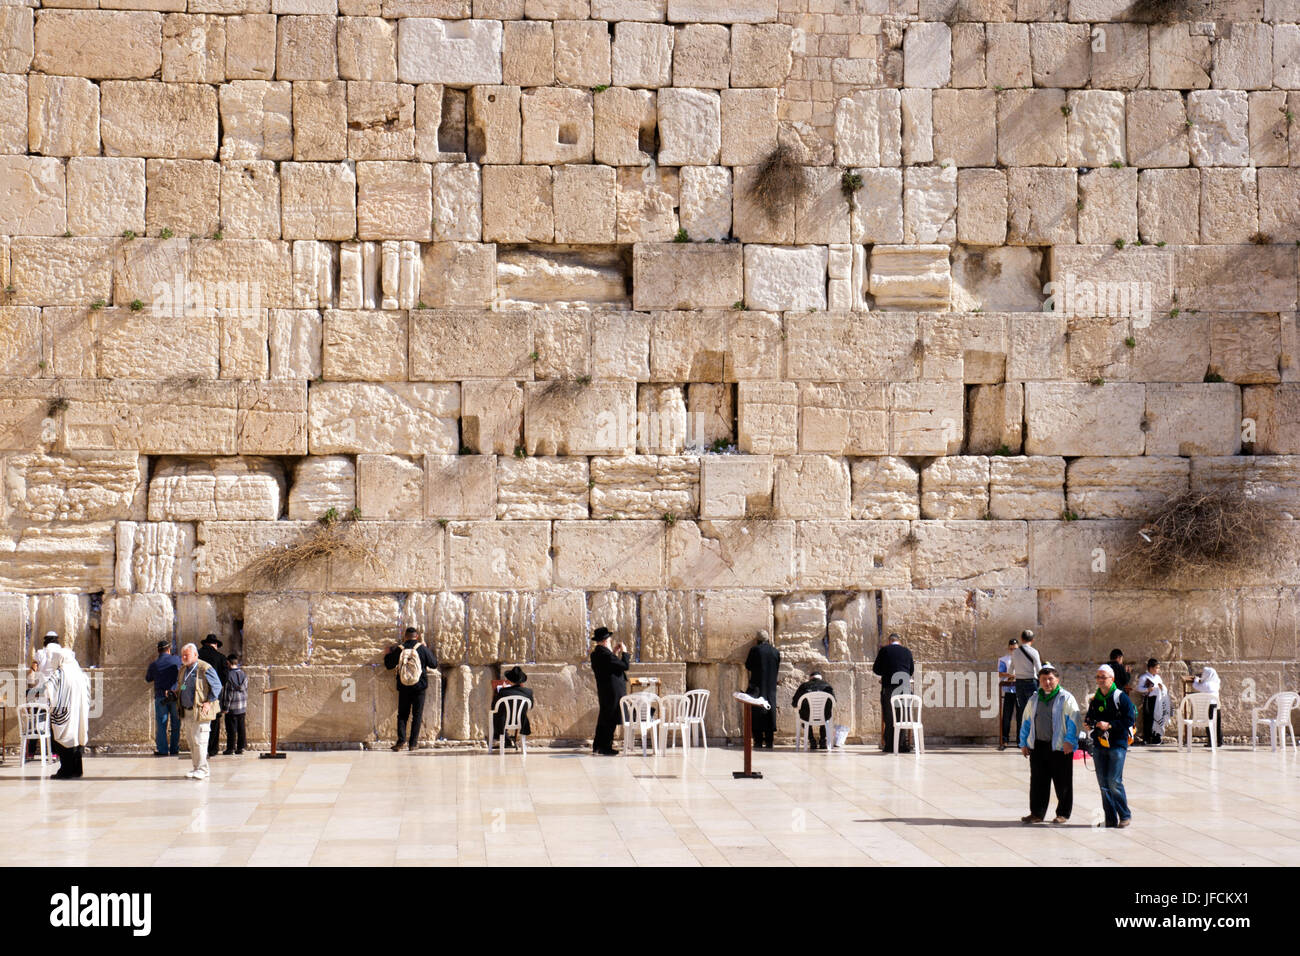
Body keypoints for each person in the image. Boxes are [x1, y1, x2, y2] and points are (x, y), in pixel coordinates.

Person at [1018, 662, 1079, 825]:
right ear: (1039, 680)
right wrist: (1024, 742)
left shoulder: (1066, 698)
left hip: (1060, 747)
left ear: (1057, 679)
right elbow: (1026, 721)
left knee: (1063, 782)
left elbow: (1074, 721)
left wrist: (1069, 741)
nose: (1047, 682)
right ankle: (1036, 813)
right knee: (1038, 781)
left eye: (1051, 679)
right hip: (1039, 746)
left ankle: (1063, 813)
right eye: (1044, 679)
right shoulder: (1034, 698)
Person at [1085, 664, 1136, 828]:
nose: (1100, 680)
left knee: (1114, 781)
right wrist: (1090, 724)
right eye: (1098, 677)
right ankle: (1111, 818)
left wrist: (1110, 725)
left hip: (1117, 743)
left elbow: (1129, 719)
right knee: (1103, 784)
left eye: (1103, 677)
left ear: (1112, 679)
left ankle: (1125, 815)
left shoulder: (1120, 697)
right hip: (1100, 744)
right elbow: (1090, 717)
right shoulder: (1095, 699)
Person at [31, 645, 90, 779]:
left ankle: (66, 771)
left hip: (65, 715)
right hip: (78, 714)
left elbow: (48, 690)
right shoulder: (80, 674)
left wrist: (33, 693)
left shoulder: (60, 673)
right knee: (76, 739)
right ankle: (77, 770)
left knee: (65, 740)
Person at [383, 627, 438, 752]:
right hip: (419, 686)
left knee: (402, 715)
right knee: (417, 715)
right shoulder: (422, 649)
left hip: (404, 686)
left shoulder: (400, 649)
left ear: (405, 636)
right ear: (417, 636)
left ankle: (401, 741)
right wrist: (427, 649)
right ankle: (413, 744)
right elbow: (434, 664)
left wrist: (387, 654)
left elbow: (389, 665)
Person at [177, 643, 221, 780]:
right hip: (187, 711)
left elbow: (217, 686)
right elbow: (183, 687)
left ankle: (203, 769)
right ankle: (196, 767)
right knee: (191, 741)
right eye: (183, 654)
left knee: (200, 741)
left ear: (195, 655)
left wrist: (209, 702)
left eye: (187, 655)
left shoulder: (204, 668)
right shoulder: (184, 669)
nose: (184, 657)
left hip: (200, 711)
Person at [590, 627, 629, 755]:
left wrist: (613, 652)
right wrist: (624, 653)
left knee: (604, 718)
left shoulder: (597, 654)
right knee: (610, 719)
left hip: (606, 691)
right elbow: (624, 666)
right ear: (606, 640)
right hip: (612, 692)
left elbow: (610, 665)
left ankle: (598, 746)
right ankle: (605, 747)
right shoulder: (605, 655)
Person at [873, 633, 915, 753]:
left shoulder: (885, 650)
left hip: (890, 687)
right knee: (902, 715)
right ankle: (901, 745)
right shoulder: (907, 651)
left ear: (889, 641)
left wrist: (886, 673)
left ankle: (890, 745)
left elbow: (876, 669)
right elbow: (911, 670)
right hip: (905, 687)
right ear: (899, 641)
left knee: (889, 715)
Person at [744, 630, 780, 749]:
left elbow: (748, 665)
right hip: (771, 688)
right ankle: (769, 741)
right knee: (770, 711)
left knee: (757, 713)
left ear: (758, 640)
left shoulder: (755, 650)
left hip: (757, 687)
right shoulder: (775, 651)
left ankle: (758, 741)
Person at [145, 640, 181, 757]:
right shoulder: (176, 660)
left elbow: (148, 679)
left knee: (161, 724)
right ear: (169, 649)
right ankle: (174, 749)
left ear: (158, 651)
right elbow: (183, 675)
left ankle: (163, 750)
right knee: (176, 723)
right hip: (174, 696)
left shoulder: (154, 664)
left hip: (161, 697)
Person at [198, 635, 230, 757]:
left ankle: (200, 748)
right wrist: (217, 687)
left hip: (198, 693)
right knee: (215, 722)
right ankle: (212, 749)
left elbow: (186, 680)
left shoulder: (197, 655)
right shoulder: (221, 657)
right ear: (215, 645)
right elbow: (225, 677)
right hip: (215, 694)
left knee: (199, 722)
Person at [491, 665, 534, 749]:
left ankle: (504, 739)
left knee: (496, 715)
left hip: (503, 721)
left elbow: (494, 706)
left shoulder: (503, 692)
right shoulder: (528, 692)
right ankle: (508, 741)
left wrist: (502, 691)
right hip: (521, 720)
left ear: (509, 680)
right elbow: (530, 706)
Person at [791, 670, 835, 749]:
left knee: (804, 715)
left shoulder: (804, 686)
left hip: (807, 717)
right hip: (824, 716)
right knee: (825, 713)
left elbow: (794, 703)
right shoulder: (827, 686)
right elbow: (834, 701)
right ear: (820, 678)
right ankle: (822, 741)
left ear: (810, 678)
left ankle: (812, 741)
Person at [1012, 630, 1041, 732]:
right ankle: (1033, 735)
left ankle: (1023, 737)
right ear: (1032, 640)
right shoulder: (1034, 652)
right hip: (1030, 682)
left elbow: (1011, 669)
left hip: (1019, 683)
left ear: (1021, 638)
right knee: (1033, 710)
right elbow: (1039, 670)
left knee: (1022, 711)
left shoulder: (1015, 652)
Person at [1134, 659, 1168, 745]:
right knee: (1148, 718)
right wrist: (1147, 689)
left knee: (1157, 717)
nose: (1158, 670)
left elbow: (1162, 688)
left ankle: (1156, 737)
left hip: (1158, 700)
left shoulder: (1158, 677)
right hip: (1149, 699)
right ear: (1151, 668)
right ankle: (1147, 738)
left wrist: (1161, 688)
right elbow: (1139, 688)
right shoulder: (1144, 677)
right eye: (1157, 668)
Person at [221, 653, 248, 755]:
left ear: (228, 663)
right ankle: (241, 747)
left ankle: (231, 748)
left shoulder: (229, 676)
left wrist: (225, 708)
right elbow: (245, 690)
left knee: (231, 729)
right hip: (242, 706)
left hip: (232, 707)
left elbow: (228, 694)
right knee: (241, 727)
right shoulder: (243, 674)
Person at [1190, 665, 1222, 747]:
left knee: (1209, 724)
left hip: (1209, 706)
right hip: (1217, 705)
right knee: (1217, 724)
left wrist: (1196, 679)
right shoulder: (1216, 683)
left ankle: (1211, 741)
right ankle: (1219, 741)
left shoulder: (1207, 684)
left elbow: (1195, 686)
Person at [997, 639, 1019, 750]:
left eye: (1015, 649)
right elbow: (1000, 673)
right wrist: (1010, 675)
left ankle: (1020, 741)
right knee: (1006, 716)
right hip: (1009, 690)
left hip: (1020, 690)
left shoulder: (1022, 659)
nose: (1013, 651)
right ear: (1008, 648)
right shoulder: (1004, 659)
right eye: (1011, 649)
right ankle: (1004, 740)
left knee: (1021, 716)